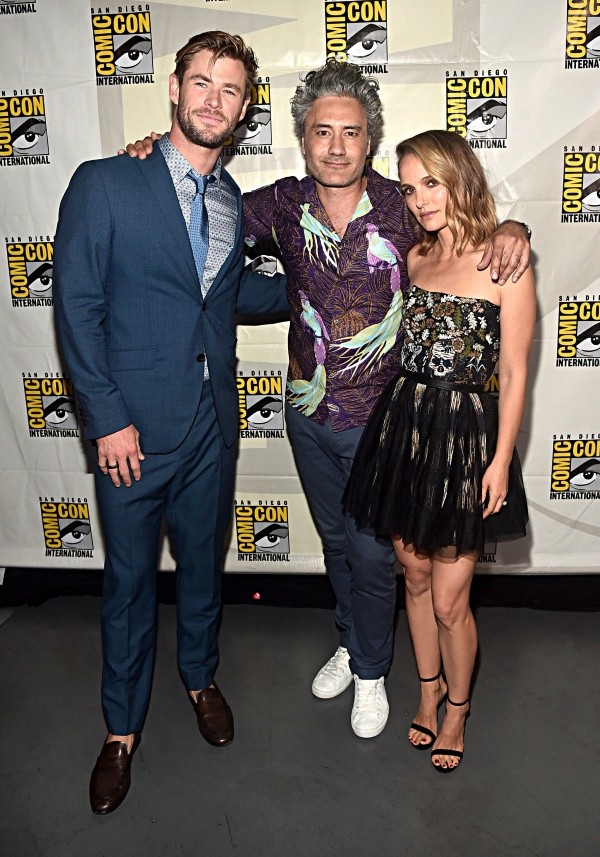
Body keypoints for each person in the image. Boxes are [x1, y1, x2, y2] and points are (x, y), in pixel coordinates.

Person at [124, 61, 532, 739]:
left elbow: (467, 220)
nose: (337, 146)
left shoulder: (405, 207)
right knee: (338, 543)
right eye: (323, 132)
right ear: (303, 138)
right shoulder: (278, 203)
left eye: (351, 132)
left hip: (387, 421)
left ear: (370, 139)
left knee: (379, 557)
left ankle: (373, 671)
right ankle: (352, 641)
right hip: (308, 414)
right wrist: (154, 159)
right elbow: (200, 208)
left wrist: (516, 227)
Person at [54, 31, 288, 815]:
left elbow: (225, 297)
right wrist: (107, 420)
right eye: (201, 82)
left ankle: (199, 674)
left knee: (202, 570)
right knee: (126, 583)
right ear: (174, 89)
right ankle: (121, 730)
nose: (212, 99)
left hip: (210, 430)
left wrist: (330, 287)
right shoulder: (105, 182)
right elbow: (77, 308)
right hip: (132, 434)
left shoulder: (231, 201)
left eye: (229, 89)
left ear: (244, 105)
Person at [343, 129, 535, 769]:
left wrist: (502, 459)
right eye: (408, 186)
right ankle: (426, 696)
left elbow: (513, 371)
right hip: (406, 429)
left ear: (460, 177)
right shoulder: (414, 256)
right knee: (416, 578)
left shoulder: (505, 262)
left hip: (467, 439)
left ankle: (458, 708)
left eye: (432, 182)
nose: (420, 198)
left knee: (453, 600)